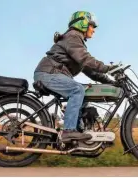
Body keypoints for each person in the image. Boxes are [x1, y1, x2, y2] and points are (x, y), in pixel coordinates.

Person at [33, 11, 118, 143]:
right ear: (83, 23)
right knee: (77, 90)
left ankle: (78, 131)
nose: (94, 30)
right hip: (48, 73)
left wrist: (111, 82)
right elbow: (85, 59)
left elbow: (91, 71)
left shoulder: (74, 39)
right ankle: (69, 131)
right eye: (92, 26)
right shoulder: (73, 36)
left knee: (83, 93)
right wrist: (108, 68)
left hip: (52, 73)